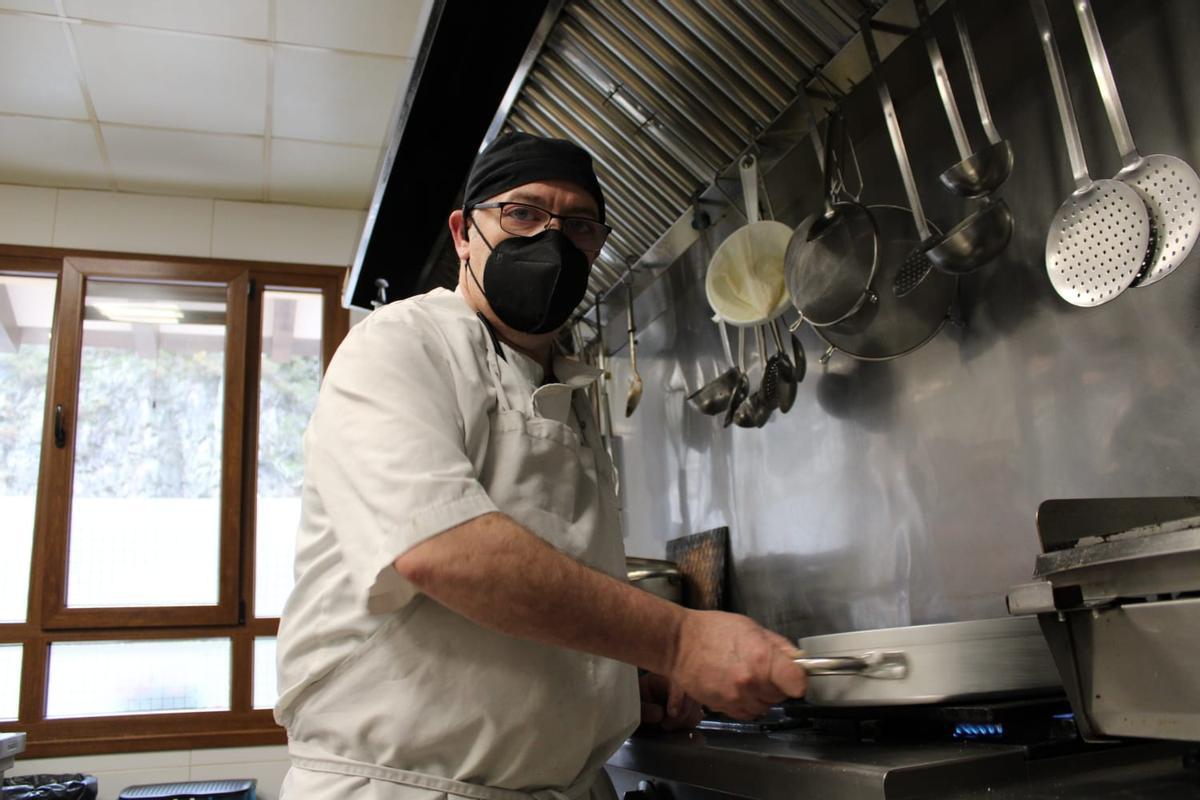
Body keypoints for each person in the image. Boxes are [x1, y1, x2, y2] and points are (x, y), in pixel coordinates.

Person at [274, 132, 808, 799]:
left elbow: (542, 587)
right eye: (522, 213)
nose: (551, 241)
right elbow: (440, 549)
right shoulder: (400, 345)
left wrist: (611, 684)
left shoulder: (569, 390)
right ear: (464, 233)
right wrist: (677, 642)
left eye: (578, 226)